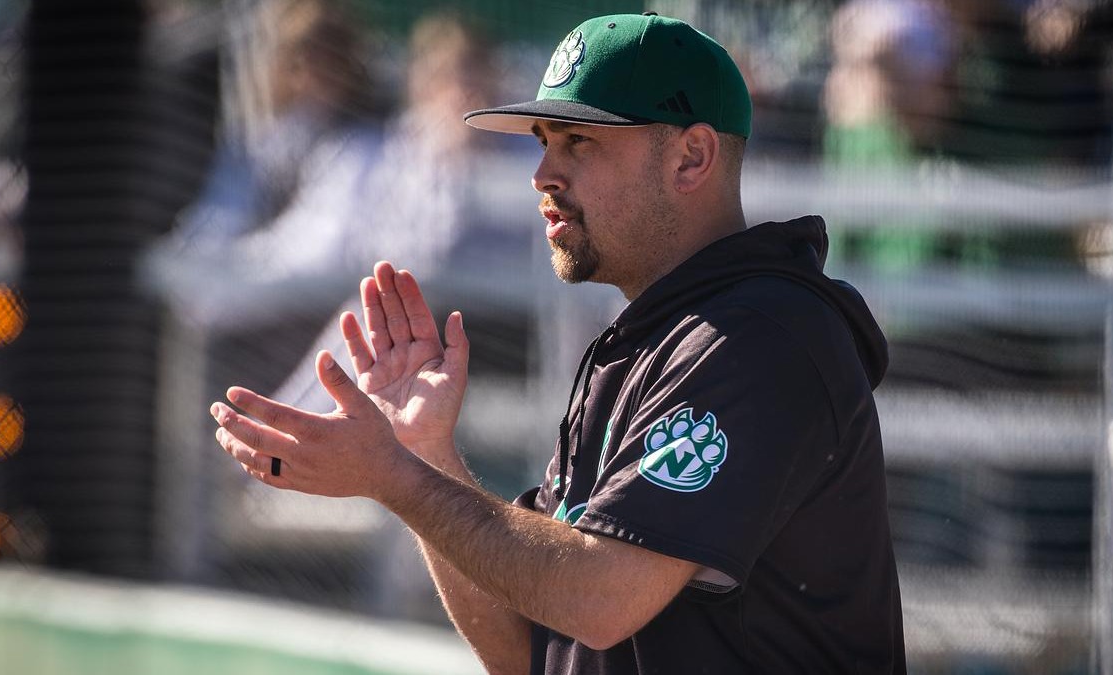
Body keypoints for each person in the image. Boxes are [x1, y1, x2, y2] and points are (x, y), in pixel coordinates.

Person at [211, 12, 906, 674]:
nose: (542, 174)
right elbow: (532, 653)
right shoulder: (648, 340)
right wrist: (425, 452)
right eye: (544, 141)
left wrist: (395, 476)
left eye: (580, 142)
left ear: (691, 157)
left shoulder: (761, 337)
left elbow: (598, 598)